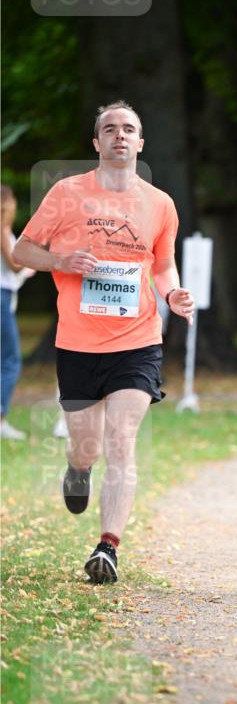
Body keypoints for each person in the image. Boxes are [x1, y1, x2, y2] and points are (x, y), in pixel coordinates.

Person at [14, 99, 194, 585]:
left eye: (128, 129)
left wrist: (173, 293)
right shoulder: (67, 193)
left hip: (138, 340)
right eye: (109, 129)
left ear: (140, 142)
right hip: (78, 342)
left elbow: (163, 265)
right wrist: (60, 261)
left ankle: (107, 546)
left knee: (121, 439)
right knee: (87, 446)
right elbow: (22, 249)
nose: (119, 135)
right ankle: (77, 469)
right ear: (96, 142)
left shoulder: (160, 204)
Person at [1, 184, 34, 439]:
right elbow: (14, 265)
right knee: (10, 360)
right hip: (2, 298)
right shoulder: (2, 229)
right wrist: (31, 261)